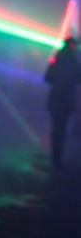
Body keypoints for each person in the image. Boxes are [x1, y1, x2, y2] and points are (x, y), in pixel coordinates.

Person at [44, 36, 81, 169]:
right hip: (65, 100)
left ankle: (56, 157)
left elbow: (47, 77)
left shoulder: (57, 59)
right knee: (61, 129)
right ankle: (57, 158)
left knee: (56, 128)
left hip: (56, 99)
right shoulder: (73, 60)